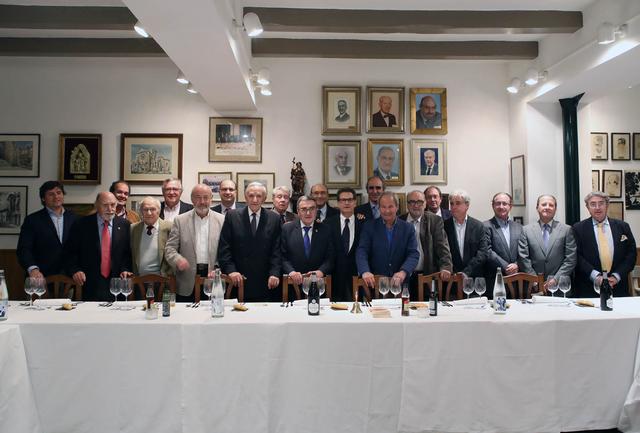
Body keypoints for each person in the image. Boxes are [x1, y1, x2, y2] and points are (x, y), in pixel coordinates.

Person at [218, 182, 282, 302]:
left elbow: (277, 250)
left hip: (265, 283)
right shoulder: (232, 216)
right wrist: (231, 271)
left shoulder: (274, 218)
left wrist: (274, 273)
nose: (255, 199)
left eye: (259, 196)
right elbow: (224, 248)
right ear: (245, 197)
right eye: (251, 195)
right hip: (238, 281)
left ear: (264, 198)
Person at [64, 192, 132, 301]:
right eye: (105, 205)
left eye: (113, 205)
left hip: (117, 284)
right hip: (88, 284)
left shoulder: (125, 225)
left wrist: (125, 269)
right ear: (96, 205)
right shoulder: (81, 224)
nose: (110, 209)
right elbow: (70, 252)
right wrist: (75, 270)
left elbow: (127, 253)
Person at [165, 184, 225, 301]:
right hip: (186, 280)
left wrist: (218, 268)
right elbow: (169, 249)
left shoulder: (222, 220)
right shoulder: (180, 220)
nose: (202, 202)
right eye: (198, 197)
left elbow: (226, 250)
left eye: (206, 197)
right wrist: (178, 260)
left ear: (211, 199)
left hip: (212, 277)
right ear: (192, 199)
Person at [573, 192, 637, 297]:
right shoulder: (578, 228)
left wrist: (616, 276)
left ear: (607, 205)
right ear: (587, 207)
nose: (597, 207)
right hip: (589, 289)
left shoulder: (623, 226)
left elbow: (631, 254)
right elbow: (577, 256)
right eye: (593, 204)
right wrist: (596, 276)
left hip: (618, 288)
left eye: (601, 203)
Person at [356, 192, 419, 293]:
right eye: (383, 207)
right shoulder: (369, 226)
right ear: (379, 208)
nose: (387, 211)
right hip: (374, 285)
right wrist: (365, 271)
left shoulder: (408, 228)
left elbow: (413, 254)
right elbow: (362, 251)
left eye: (390, 206)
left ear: (397, 207)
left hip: (401, 285)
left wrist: (403, 272)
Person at [17, 181, 78, 278]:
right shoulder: (32, 220)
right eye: (51, 194)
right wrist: (33, 269)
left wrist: (78, 269)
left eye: (59, 193)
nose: (56, 197)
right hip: (40, 276)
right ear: (43, 198)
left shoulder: (75, 218)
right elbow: (24, 249)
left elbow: (80, 247)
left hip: (71, 276)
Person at [518, 194, 577, 293]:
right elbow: (523, 258)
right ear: (537, 207)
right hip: (533, 288)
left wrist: (555, 279)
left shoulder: (566, 230)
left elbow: (570, 259)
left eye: (551, 205)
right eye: (544, 204)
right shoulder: (526, 230)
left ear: (555, 209)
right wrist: (536, 281)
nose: (547, 207)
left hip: (559, 287)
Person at [400, 190, 452, 296]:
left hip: (427, 275)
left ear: (424, 204)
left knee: (427, 305)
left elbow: (442, 247)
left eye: (419, 202)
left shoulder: (434, 220)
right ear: (407, 204)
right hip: (404, 276)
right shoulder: (400, 221)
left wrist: (446, 267)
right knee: (404, 305)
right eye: (412, 202)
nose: (416, 205)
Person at [281, 196, 334, 294]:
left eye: (312, 208)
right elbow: (282, 256)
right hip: (293, 285)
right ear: (298, 211)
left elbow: (331, 257)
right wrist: (291, 272)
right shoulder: (287, 229)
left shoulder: (326, 230)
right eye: (304, 209)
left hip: (319, 286)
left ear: (316, 210)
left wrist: (321, 272)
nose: (308, 213)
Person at [326, 187, 363, 301]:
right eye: (343, 200)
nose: (347, 203)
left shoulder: (363, 224)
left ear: (355, 202)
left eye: (350, 200)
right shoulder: (328, 224)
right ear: (338, 203)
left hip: (356, 277)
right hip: (334, 277)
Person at [443, 190, 488, 279]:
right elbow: (443, 253)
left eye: (458, 203)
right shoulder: (444, 226)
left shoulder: (478, 226)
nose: (453, 207)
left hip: (473, 277)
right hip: (452, 279)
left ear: (467, 205)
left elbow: (483, 253)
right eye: (451, 204)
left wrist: (467, 272)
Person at [484, 192, 523, 291]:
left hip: (517, 281)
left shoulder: (519, 227)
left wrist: (517, 264)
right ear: (493, 205)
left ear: (510, 206)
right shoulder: (485, 226)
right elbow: (487, 251)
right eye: (498, 203)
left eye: (504, 203)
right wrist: (506, 267)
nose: (501, 206)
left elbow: (524, 250)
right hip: (495, 280)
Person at [130, 196, 173, 277]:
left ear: (159, 211)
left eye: (153, 209)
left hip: (163, 280)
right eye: (145, 209)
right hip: (138, 279)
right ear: (141, 212)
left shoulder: (170, 228)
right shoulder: (133, 229)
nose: (149, 213)